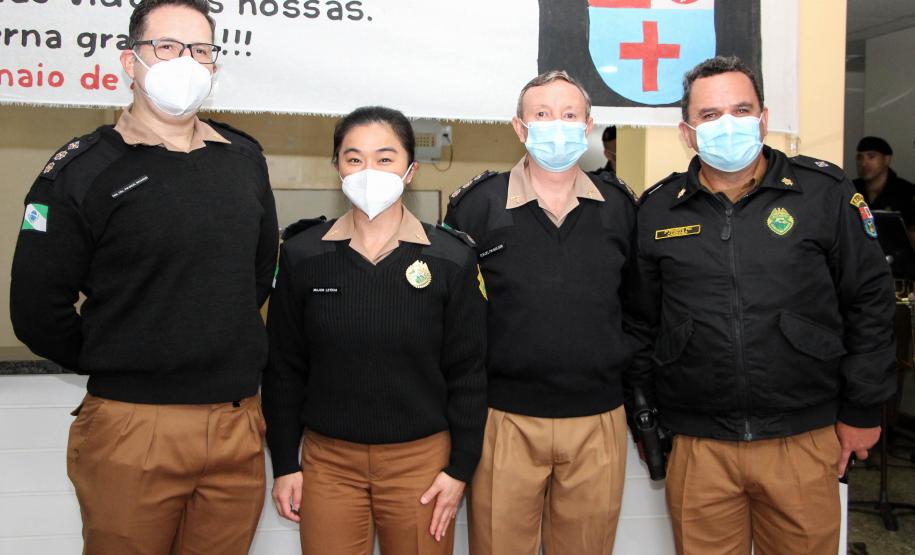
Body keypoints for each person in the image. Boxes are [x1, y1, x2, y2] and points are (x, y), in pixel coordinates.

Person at [9, 1, 278, 553]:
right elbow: (37, 309)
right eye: (167, 47)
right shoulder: (82, 171)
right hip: (132, 425)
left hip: (236, 423)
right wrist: (121, 356)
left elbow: (256, 275)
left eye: (200, 50)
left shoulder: (244, 157)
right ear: (129, 62)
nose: (185, 61)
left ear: (214, 67)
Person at [632, 56, 897, 555]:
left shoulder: (823, 192)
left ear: (764, 117)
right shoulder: (658, 209)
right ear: (687, 131)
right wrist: (647, 416)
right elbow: (641, 322)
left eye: (740, 108)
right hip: (698, 444)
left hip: (803, 436)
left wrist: (863, 406)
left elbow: (870, 301)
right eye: (709, 115)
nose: (726, 123)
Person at [263, 106, 487, 555]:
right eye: (354, 158)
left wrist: (460, 468)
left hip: (421, 463)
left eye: (385, 158)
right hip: (329, 464)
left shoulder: (450, 258)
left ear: (410, 170)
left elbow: (469, 372)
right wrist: (286, 463)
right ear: (337, 168)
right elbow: (284, 367)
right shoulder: (304, 254)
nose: (369, 170)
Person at [444, 71, 639, 555]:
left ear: (589, 125)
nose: (558, 126)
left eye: (570, 115)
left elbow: (640, 310)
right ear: (519, 126)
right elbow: (453, 321)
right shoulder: (475, 206)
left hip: (598, 419)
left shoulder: (621, 207)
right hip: (503, 420)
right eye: (543, 115)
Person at [853, 136, 915, 240]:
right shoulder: (850, 189)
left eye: (871, 157)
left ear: (886, 159)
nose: (863, 163)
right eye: (860, 157)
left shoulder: (907, 192)